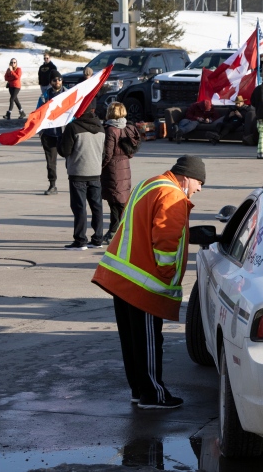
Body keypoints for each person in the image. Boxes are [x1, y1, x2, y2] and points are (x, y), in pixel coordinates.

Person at [92, 155, 205, 409]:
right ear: (186, 177)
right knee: (148, 341)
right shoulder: (173, 195)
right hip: (143, 282)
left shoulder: (149, 184)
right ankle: (154, 394)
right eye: (199, 183)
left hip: (122, 277)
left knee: (132, 341)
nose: (198, 189)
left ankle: (139, 389)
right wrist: (165, 275)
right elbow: (166, 239)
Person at [59, 102, 106, 250]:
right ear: (93, 110)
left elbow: (64, 151)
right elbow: (104, 153)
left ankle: (80, 240)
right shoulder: (101, 128)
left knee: (79, 208)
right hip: (95, 173)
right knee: (97, 207)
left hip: (78, 172)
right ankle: (98, 239)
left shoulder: (73, 127)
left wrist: (61, 138)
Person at [101, 102, 142, 244]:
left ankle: (114, 232)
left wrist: (99, 167)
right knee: (120, 201)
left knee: (115, 202)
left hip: (113, 169)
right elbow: (132, 147)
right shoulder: (129, 127)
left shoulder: (111, 130)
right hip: (125, 166)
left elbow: (108, 153)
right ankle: (116, 231)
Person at [38, 71, 66, 195]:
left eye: (59, 79)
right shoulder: (44, 97)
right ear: (50, 82)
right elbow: (38, 114)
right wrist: (40, 132)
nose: (57, 82)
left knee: (72, 160)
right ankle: (52, 185)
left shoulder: (68, 95)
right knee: (51, 162)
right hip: (49, 134)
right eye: (54, 80)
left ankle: (75, 183)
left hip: (65, 133)